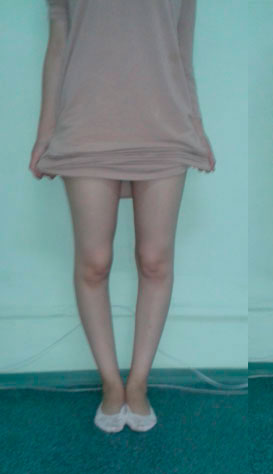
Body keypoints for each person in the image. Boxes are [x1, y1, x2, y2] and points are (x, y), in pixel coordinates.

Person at [29, 0, 215, 433]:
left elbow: (181, 48)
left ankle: (138, 383)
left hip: (164, 122)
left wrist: (197, 126)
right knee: (94, 262)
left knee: (155, 260)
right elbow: (59, 41)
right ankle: (111, 383)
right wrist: (44, 133)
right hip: (86, 120)